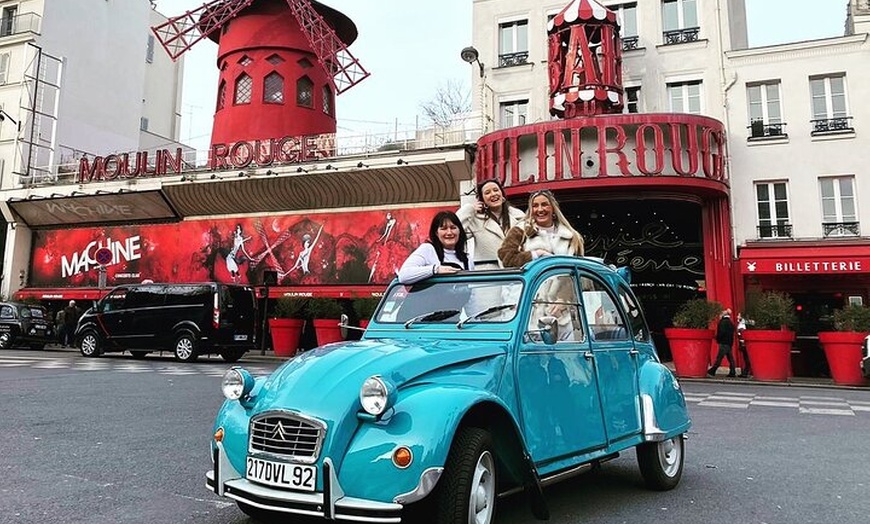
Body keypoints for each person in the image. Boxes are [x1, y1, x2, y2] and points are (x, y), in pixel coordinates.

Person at [498, 189, 584, 268]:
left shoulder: (572, 237)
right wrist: (536, 255)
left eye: (544, 204)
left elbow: (580, 269)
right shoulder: (520, 231)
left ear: (553, 208)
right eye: (535, 206)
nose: (540, 209)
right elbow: (506, 258)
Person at [456, 178, 525, 269]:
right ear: (482, 200)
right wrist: (470, 209)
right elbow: (455, 228)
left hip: (516, 273)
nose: (493, 194)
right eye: (487, 192)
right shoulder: (476, 219)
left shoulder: (519, 216)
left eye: (496, 190)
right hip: (489, 274)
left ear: (502, 194)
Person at [397, 211, 473, 285]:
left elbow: (473, 290)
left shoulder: (467, 258)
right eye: (444, 228)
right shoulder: (427, 249)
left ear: (459, 231)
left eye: (453, 228)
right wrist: (435, 270)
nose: (449, 232)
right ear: (436, 233)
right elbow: (404, 275)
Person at [708, 308, 737, 377]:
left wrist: (718, 338)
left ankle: (713, 370)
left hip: (723, 342)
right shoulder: (730, 322)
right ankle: (732, 371)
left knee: (719, 357)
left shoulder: (722, 322)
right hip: (729, 342)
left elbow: (721, 332)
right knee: (730, 358)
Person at [736, 312, 751, 377]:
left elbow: (742, 335)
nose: (737, 317)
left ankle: (746, 372)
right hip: (744, 342)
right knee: (746, 358)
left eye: (738, 315)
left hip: (743, 343)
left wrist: (742, 343)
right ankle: (745, 371)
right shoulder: (743, 323)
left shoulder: (742, 325)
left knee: (746, 358)